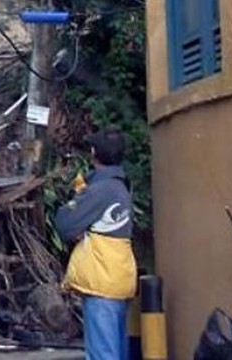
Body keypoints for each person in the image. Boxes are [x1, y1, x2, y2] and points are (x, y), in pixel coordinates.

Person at [55, 129, 138, 360]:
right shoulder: (120, 186)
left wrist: (78, 196)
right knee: (116, 351)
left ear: (93, 153)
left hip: (101, 281)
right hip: (118, 278)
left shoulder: (100, 191)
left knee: (103, 355)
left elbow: (65, 223)